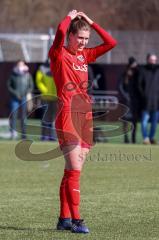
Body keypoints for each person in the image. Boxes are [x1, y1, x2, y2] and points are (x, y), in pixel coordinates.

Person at [49, 10, 117, 233]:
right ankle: (77, 220)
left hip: (85, 115)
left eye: (86, 39)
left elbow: (111, 42)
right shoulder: (59, 53)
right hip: (67, 112)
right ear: (70, 36)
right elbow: (59, 30)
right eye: (80, 38)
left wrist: (91, 22)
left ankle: (64, 219)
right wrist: (69, 16)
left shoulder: (84, 56)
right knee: (75, 169)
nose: (83, 42)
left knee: (71, 170)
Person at [7, 60, 33, 139]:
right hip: (14, 98)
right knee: (14, 115)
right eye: (19, 64)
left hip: (24, 98)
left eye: (22, 64)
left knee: (23, 116)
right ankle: (13, 133)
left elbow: (30, 86)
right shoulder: (13, 74)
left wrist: (26, 92)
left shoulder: (27, 75)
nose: (20, 66)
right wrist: (15, 93)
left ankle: (23, 133)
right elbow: (9, 86)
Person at [119, 57, 141, 143]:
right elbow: (120, 87)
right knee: (125, 121)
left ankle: (133, 138)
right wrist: (126, 96)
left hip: (134, 102)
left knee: (134, 121)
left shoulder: (138, 73)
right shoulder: (124, 74)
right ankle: (126, 138)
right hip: (126, 102)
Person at [138, 53, 159, 144]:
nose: (153, 62)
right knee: (144, 121)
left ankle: (151, 137)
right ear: (147, 60)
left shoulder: (158, 70)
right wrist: (144, 96)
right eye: (151, 60)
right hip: (146, 101)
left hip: (157, 102)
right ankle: (145, 138)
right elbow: (139, 85)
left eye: (155, 60)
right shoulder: (142, 70)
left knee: (154, 123)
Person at [36, 60, 57, 141]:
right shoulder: (42, 68)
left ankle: (53, 136)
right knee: (45, 117)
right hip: (46, 97)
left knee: (54, 118)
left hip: (56, 97)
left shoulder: (59, 66)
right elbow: (39, 81)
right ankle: (44, 135)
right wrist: (45, 90)